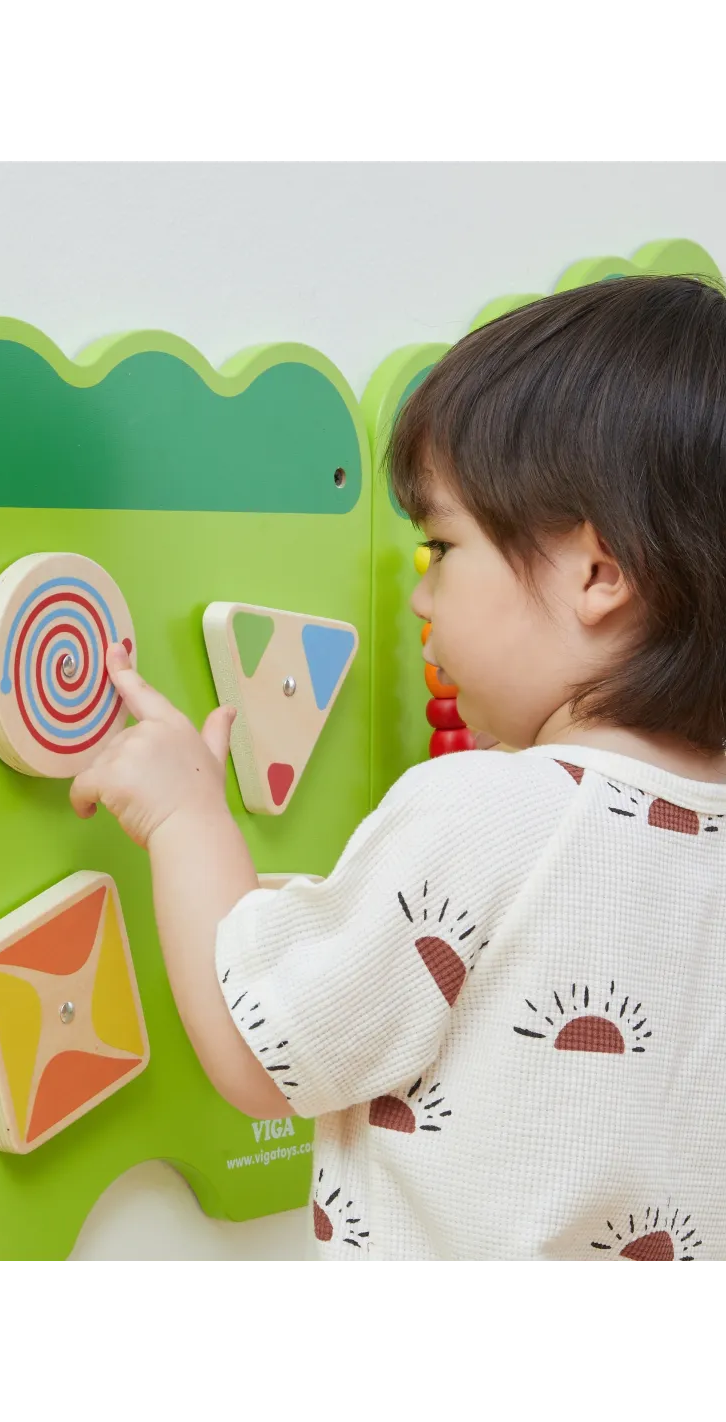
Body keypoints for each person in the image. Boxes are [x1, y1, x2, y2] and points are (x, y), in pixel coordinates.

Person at [69, 274, 726, 1263]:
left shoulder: (487, 813)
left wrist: (184, 817)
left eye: (441, 546)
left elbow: (260, 1050)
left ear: (599, 573)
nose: (421, 599)